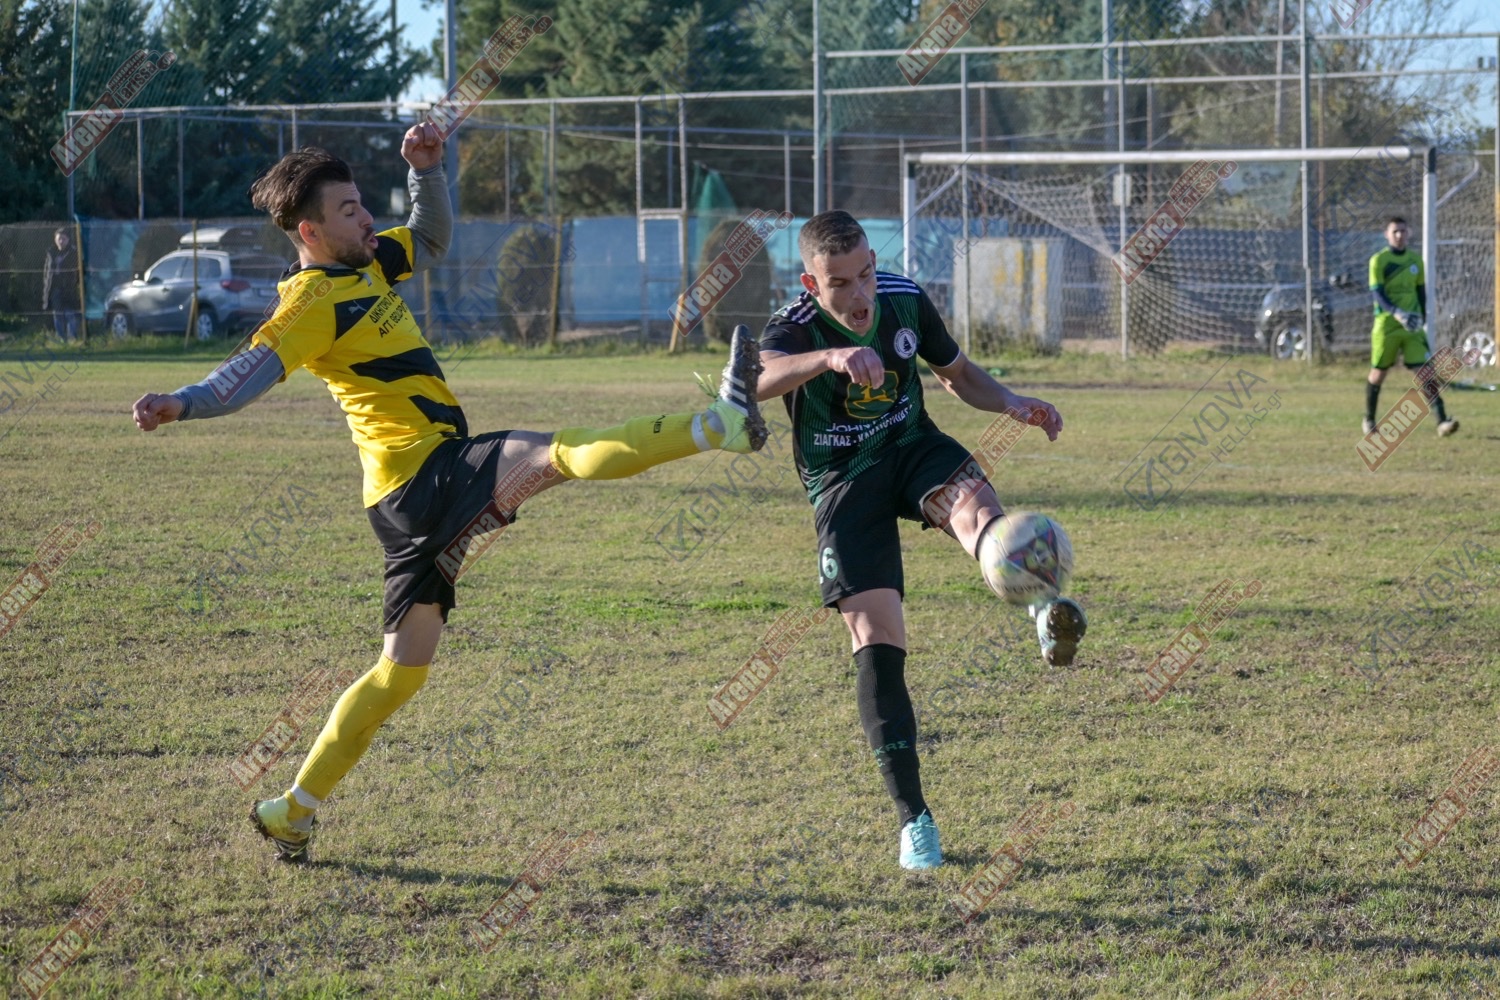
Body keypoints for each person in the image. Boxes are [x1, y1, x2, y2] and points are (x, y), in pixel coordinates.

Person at [131, 128, 769, 860]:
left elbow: (430, 237)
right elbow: (246, 372)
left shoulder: (369, 262)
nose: (365, 218)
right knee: (553, 453)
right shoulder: (310, 302)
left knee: (399, 673)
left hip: (401, 501)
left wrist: (424, 172)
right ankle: (717, 423)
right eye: (347, 211)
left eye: (362, 204)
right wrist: (182, 401)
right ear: (309, 232)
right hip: (423, 475)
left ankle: (292, 810)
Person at [756, 210, 1086, 871]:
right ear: (811, 283)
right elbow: (755, 382)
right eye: (840, 283)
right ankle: (915, 822)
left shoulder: (904, 299)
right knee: (877, 640)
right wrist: (828, 358)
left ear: (875, 263)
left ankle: (1039, 607)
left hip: (914, 448)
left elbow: (956, 374)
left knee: (982, 518)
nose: (859, 295)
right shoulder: (792, 327)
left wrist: (1012, 401)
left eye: (865, 275)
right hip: (843, 481)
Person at [1363, 216, 1457, 437]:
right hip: (1387, 325)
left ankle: (1443, 421)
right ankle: (1369, 419)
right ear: (1386, 235)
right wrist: (1396, 312)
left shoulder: (1415, 260)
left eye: (1403, 231)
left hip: (1411, 326)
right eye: (1394, 231)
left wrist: (1422, 318)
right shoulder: (1379, 260)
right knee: (1378, 374)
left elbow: (1420, 292)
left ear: (1409, 233)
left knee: (1425, 373)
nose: (1399, 235)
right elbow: (1377, 293)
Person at [42, 228, 82, 343]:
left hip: (69, 289)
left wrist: (75, 283)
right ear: (55, 239)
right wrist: (46, 286)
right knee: (57, 314)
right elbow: (47, 272)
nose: (61, 241)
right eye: (59, 239)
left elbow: (79, 272)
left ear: (68, 240)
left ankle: (73, 337)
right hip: (55, 289)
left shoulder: (74, 253)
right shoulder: (51, 253)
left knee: (70, 313)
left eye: (63, 239)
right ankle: (61, 339)